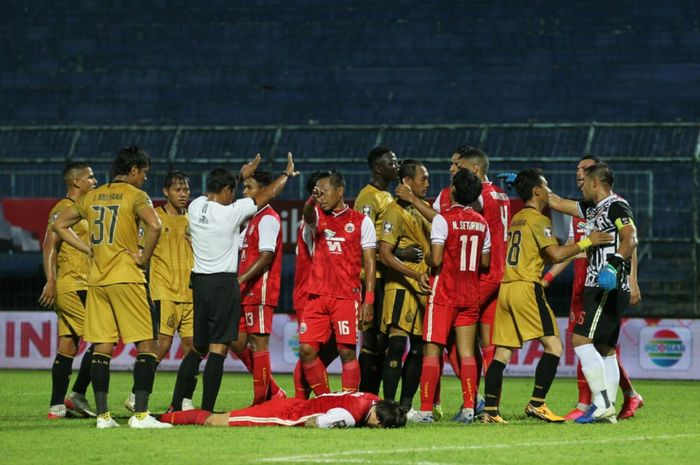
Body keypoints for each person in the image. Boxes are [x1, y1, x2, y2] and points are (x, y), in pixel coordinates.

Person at [169, 153, 298, 413]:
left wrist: (238, 175)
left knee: (197, 348)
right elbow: (267, 195)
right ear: (227, 190)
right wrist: (285, 175)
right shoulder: (231, 214)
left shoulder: (195, 207)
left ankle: (175, 404)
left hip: (200, 285)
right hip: (224, 284)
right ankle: (206, 409)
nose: (236, 196)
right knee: (218, 350)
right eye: (234, 190)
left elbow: (222, 190)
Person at [481, 169, 612, 424]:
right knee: (554, 346)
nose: (550, 191)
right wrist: (587, 242)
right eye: (546, 186)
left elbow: (534, 252)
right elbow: (555, 254)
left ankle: (490, 411)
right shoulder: (538, 220)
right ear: (537, 191)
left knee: (502, 353)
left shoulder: (518, 218)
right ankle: (537, 404)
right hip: (526, 288)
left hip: (506, 288)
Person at [53, 146, 170, 428]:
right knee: (147, 344)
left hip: (97, 280)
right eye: (144, 173)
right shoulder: (135, 195)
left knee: (103, 345)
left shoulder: (92, 196)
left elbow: (59, 225)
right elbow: (154, 226)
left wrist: (88, 247)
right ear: (133, 170)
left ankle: (103, 417)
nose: (144, 179)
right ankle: (141, 415)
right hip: (127, 277)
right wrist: (143, 257)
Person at [543, 156, 644, 420]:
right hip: (602, 283)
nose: (582, 186)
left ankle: (601, 403)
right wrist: (532, 184)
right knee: (605, 347)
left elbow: (630, 238)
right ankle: (607, 410)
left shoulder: (616, 206)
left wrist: (613, 264)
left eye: (585, 181)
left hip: (605, 284)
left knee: (579, 340)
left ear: (596, 182)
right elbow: (555, 202)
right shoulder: (593, 209)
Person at [412, 169, 491, 424]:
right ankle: (469, 407)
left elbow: (435, 259)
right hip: (470, 294)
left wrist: (424, 257)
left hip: (444, 292)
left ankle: (425, 411)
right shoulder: (482, 222)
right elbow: (485, 261)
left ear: (454, 190)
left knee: (432, 351)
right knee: (468, 353)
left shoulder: (442, 220)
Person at [299, 171, 376, 395]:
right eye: (317, 193)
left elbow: (370, 263)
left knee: (346, 353)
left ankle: (349, 403)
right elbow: (307, 214)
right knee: (306, 350)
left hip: (346, 296)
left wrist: (368, 300)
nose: (321, 197)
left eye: (324, 192)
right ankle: (326, 401)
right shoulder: (316, 217)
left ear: (340, 191)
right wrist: (312, 199)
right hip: (317, 296)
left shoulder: (361, 222)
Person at [125, 170, 196, 412]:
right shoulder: (154, 218)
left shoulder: (194, 219)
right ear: (166, 192)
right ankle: (137, 394)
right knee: (161, 345)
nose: (183, 194)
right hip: (163, 291)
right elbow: (140, 253)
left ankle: (184, 399)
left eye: (186, 189)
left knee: (193, 347)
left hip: (190, 292)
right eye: (178, 189)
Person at [40, 162, 98, 419]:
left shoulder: (83, 210)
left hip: (82, 283)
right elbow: (49, 246)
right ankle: (77, 394)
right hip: (73, 284)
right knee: (103, 337)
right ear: (76, 182)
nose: (94, 181)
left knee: (69, 344)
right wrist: (51, 280)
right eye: (90, 177)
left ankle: (56, 406)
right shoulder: (62, 210)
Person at [377, 159, 432, 414]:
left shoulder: (421, 209)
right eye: (423, 178)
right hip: (400, 287)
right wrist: (412, 272)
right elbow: (385, 254)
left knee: (419, 349)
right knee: (397, 345)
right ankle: (389, 404)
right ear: (407, 182)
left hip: (422, 287)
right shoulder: (393, 212)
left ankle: (407, 406)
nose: (427, 183)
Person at [229, 170, 286, 405]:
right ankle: (273, 391)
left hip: (260, 290)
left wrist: (240, 280)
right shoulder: (252, 219)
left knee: (258, 345)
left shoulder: (268, 218)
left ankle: (261, 401)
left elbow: (265, 257)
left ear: (263, 191)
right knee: (236, 341)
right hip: (244, 291)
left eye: (249, 187)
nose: (244, 192)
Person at [354, 146, 399, 395]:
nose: (397, 165)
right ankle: (366, 393)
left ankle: (371, 394)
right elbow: (366, 243)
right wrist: (397, 255)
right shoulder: (368, 198)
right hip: (371, 278)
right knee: (372, 339)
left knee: (381, 340)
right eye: (392, 162)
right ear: (378, 168)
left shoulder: (387, 197)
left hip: (386, 276)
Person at [292, 171, 339, 399]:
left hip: (328, 293)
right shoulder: (313, 219)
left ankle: (302, 402)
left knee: (335, 347)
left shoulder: (330, 217)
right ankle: (320, 401)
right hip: (310, 294)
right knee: (310, 351)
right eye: (325, 188)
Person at [160, 391, 407, 428]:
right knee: (215, 421)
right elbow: (314, 423)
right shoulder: (349, 417)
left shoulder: (373, 397)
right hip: (284, 414)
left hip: (293, 401)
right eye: (378, 424)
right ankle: (159, 417)